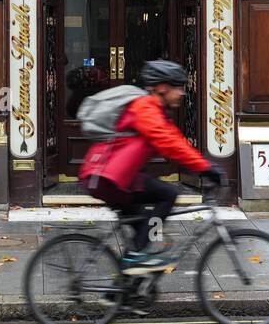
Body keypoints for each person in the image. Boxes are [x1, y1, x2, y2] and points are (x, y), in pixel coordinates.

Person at [80, 59, 225, 274]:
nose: (182, 93)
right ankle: (136, 258)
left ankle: (120, 294)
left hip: (114, 178)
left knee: (143, 236)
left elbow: (175, 140)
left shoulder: (156, 111)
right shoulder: (144, 107)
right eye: (178, 87)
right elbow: (168, 143)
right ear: (162, 88)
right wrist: (205, 168)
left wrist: (204, 164)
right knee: (167, 194)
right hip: (110, 178)